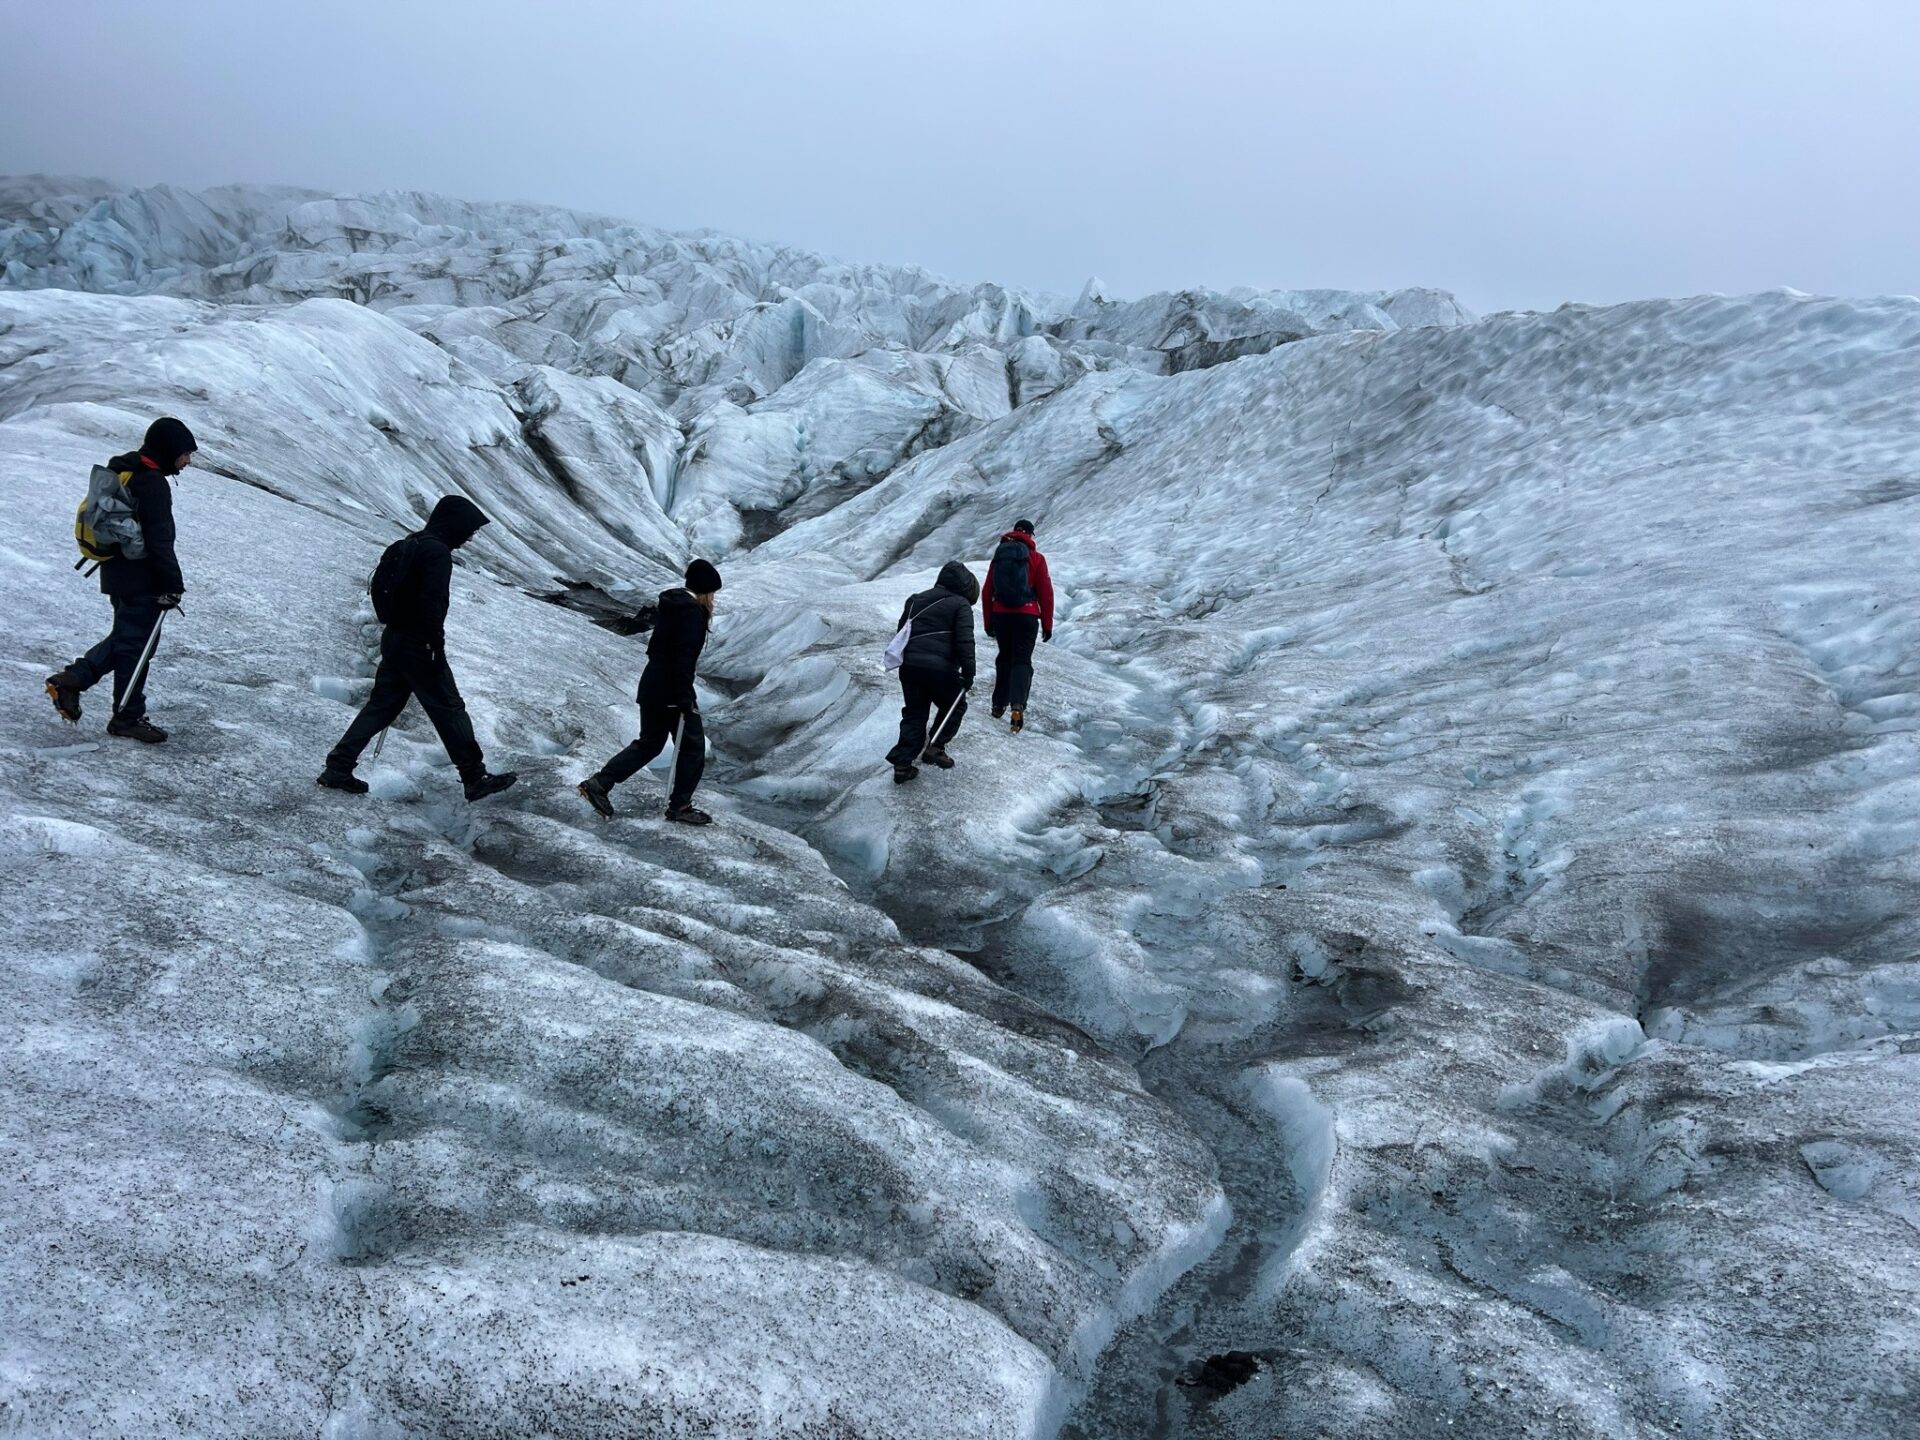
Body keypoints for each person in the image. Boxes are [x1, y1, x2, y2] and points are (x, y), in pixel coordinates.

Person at [316, 496, 516, 802]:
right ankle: (474, 777)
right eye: (468, 529)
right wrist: (434, 643)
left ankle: (338, 766)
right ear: (454, 524)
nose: (470, 537)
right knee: (449, 708)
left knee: (381, 706)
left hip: (395, 638)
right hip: (419, 644)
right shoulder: (436, 553)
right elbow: (431, 602)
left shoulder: (407, 545)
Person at [45, 417, 196, 743]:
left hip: (118, 571)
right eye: (185, 453)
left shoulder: (127, 469)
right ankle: (125, 716)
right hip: (141, 578)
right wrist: (172, 584)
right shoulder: (152, 483)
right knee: (135, 646)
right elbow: (159, 540)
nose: (188, 460)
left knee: (131, 641)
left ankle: (74, 680)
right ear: (169, 448)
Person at [578, 559, 722, 825]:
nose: (713, 599)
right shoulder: (691, 613)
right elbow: (683, 657)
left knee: (651, 743)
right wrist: (682, 696)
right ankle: (680, 806)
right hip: (671, 690)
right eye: (713, 593)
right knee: (692, 748)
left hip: (653, 685)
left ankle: (600, 783)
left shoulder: (673, 606)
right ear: (706, 591)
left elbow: (657, 650)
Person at [885, 560, 978, 784]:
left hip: (910, 666)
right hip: (939, 666)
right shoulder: (960, 604)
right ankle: (935, 747)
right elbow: (965, 639)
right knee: (955, 704)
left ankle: (903, 764)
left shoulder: (915, 600)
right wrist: (969, 671)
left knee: (915, 713)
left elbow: (902, 632)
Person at [980, 518, 1054, 733]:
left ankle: (997, 704)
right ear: (1030, 535)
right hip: (1027, 615)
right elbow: (1046, 593)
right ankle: (1017, 705)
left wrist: (988, 622)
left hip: (1001, 615)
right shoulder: (1037, 558)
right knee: (1021, 660)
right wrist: (1047, 625)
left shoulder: (1000, 556)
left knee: (1004, 657)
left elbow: (987, 591)